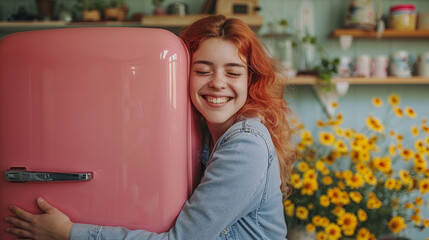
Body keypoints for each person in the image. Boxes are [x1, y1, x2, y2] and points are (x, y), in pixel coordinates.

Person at [5, 15, 296, 240]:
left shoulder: (245, 145)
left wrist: (68, 232)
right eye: (203, 70)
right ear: (182, 75)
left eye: (232, 72)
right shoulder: (201, 131)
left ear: (250, 80)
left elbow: (182, 239)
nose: (217, 82)